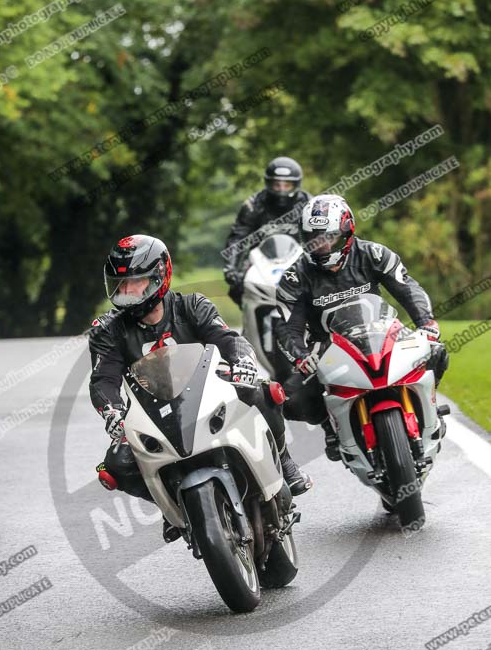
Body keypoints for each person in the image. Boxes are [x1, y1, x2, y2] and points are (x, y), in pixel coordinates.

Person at [89, 234, 312, 542]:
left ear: (158, 276)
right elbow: (103, 379)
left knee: (264, 391)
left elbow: (229, 339)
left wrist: (243, 361)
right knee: (115, 464)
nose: (125, 293)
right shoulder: (107, 331)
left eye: (135, 283)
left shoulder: (192, 305)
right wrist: (111, 411)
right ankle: (173, 505)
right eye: (120, 285)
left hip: (209, 393)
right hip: (154, 412)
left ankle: (284, 461)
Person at [275, 194, 449, 461]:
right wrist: (300, 356)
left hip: (383, 332)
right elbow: (288, 328)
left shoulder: (374, 254)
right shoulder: (295, 276)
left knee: (437, 352)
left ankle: (429, 406)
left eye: (327, 237)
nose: (321, 246)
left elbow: (408, 290)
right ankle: (330, 427)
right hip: (328, 347)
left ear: (347, 230)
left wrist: (426, 323)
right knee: (294, 400)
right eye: (313, 239)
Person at [223, 156, 312, 306]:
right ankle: (250, 321)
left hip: (299, 260)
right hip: (260, 261)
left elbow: (320, 235)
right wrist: (231, 268)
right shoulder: (253, 205)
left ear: (296, 185)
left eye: (287, 185)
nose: (282, 190)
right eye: (277, 185)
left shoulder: (309, 204)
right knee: (236, 287)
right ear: (268, 184)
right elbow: (237, 237)